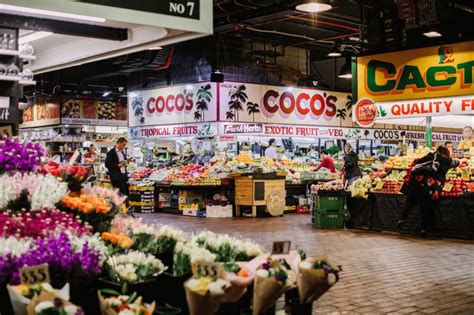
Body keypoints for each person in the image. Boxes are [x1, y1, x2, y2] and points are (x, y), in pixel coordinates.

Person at [398, 145, 462, 236]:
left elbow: (417, 163)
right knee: (426, 207)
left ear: (437, 151)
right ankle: (424, 229)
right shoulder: (447, 161)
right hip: (430, 187)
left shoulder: (430, 156)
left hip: (418, 183)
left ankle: (402, 219)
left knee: (410, 202)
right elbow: (456, 163)